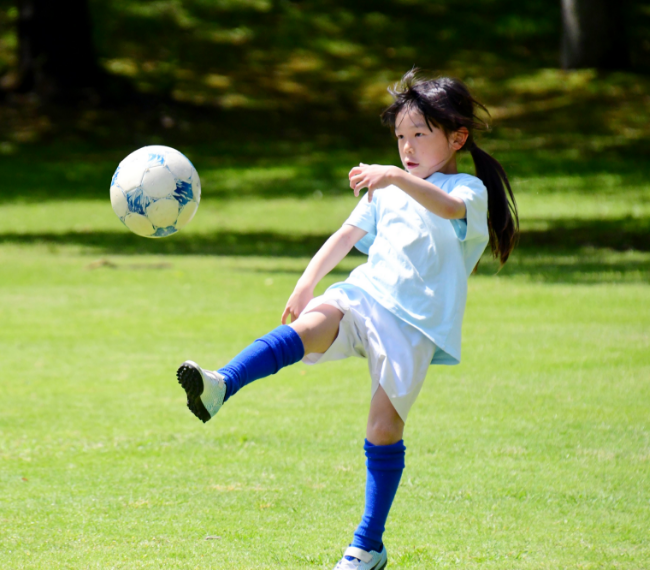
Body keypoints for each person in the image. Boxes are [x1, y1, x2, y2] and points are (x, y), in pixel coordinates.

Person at [176, 69, 519, 570]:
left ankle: (368, 545)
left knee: (383, 430)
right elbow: (345, 235)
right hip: (365, 295)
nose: (406, 147)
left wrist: (394, 176)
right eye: (400, 136)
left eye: (419, 134)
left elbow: (447, 209)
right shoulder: (388, 188)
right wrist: (307, 281)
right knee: (308, 326)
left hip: (414, 328)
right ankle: (221, 385)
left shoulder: (466, 188)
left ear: (457, 138)